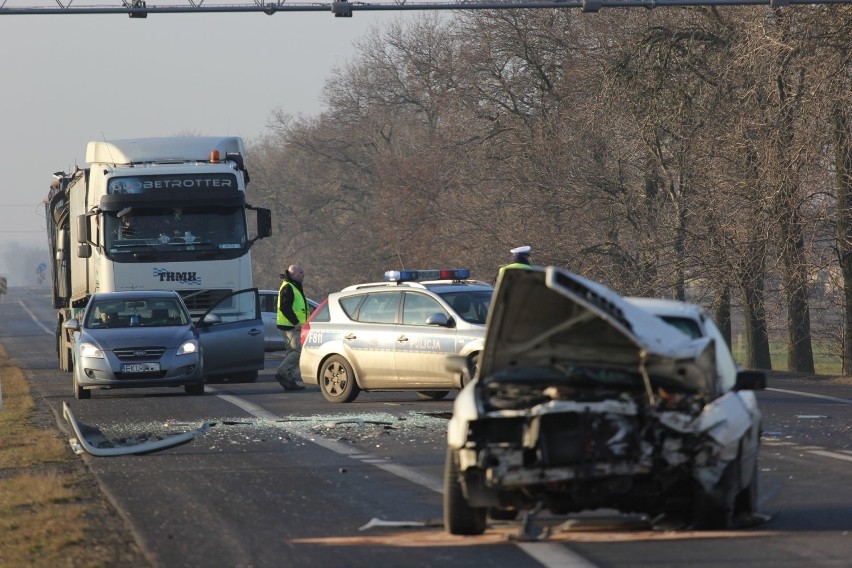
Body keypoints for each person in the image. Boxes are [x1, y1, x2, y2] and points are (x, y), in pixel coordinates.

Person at [274, 264, 308, 391]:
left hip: (291, 326)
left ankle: (289, 380)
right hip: (290, 327)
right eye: (301, 272)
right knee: (297, 351)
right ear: (293, 274)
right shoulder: (288, 287)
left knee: (291, 352)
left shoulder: (292, 285)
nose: (303, 274)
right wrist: (296, 323)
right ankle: (282, 373)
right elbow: (284, 307)